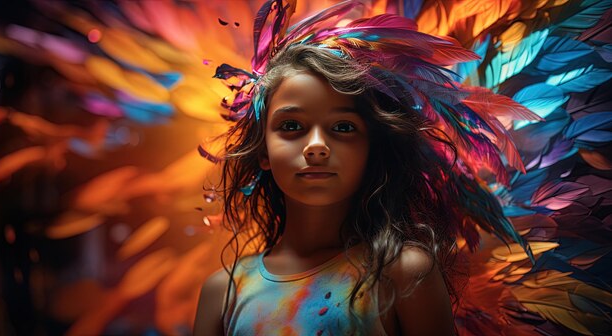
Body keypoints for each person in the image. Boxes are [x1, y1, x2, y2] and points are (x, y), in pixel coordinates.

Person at [193, 1, 529, 335]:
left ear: (371, 149)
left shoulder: (402, 272)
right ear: (263, 150)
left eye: (343, 127)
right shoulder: (222, 293)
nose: (316, 146)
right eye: (292, 126)